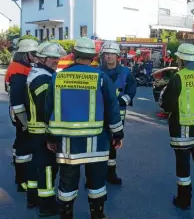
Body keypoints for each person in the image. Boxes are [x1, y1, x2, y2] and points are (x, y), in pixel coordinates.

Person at [44, 37, 124, 219]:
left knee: (67, 183)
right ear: (94, 57)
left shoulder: (58, 77)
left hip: (68, 144)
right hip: (97, 142)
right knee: (96, 182)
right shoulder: (101, 78)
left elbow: (48, 110)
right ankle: (97, 214)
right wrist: (117, 134)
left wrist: (50, 137)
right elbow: (112, 107)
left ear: (74, 55)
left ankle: (66, 214)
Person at [161, 43, 194, 210]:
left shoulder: (179, 77)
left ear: (183, 59)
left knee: (183, 165)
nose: (177, 60)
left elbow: (168, 104)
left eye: (178, 58)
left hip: (182, 128)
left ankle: (184, 199)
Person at [25, 42, 66, 215]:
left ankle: (33, 198)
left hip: (35, 131)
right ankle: (47, 205)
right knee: (47, 168)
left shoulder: (38, 73)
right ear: (42, 58)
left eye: (57, 57)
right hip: (42, 131)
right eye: (52, 57)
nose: (56, 61)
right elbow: (45, 110)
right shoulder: (44, 79)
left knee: (37, 165)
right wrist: (52, 136)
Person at [99, 41, 136, 185]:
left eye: (111, 54)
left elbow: (132, 90)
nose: (109, 57)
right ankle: (97, 174)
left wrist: (122, 101)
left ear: (117, 56)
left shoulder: (126, 72)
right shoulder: (98, 72)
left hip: (118, 116)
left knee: (114, 143)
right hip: (99, 115)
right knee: (99, 145)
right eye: (106, 54)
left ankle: (111, 173)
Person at [6, 39, 38, 192]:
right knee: (23, 148)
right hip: (21, 114)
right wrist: (25, 122)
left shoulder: (21, 67)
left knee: (20, 145)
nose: (36, 56)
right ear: (26, 54)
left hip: (20, 113)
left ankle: (21, 175)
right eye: (34, 54)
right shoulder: (18, 72)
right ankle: (22, 181)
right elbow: (18, 101)